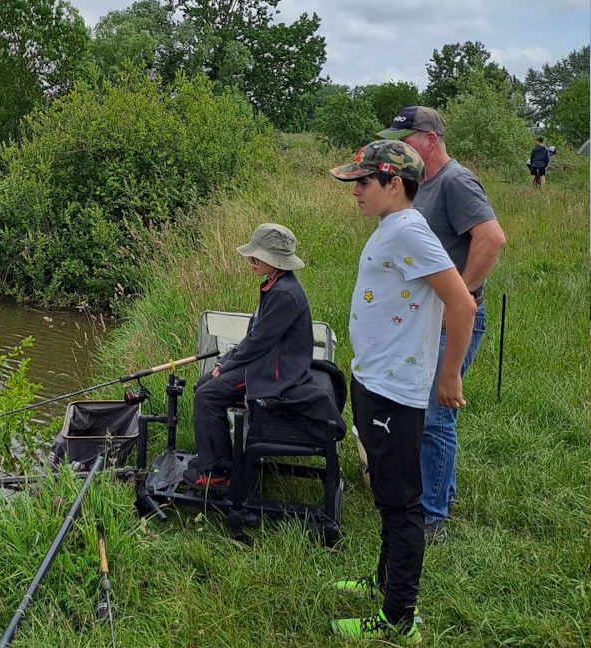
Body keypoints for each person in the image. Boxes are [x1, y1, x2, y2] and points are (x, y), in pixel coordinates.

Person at [328, 139, 476, 644]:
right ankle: (383, 583)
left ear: (395, 184)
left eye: (363, 183)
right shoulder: (394, 227)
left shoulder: (410, 230)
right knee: (388, 495)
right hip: (375, 378)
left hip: (397, 389)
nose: (356, 192)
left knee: (401, 503)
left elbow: (463, 303)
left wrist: (449, 374)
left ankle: (397, 619)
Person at [376, 106, 506, 543]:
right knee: (423, 409)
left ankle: (432, 516)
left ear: (430, 139)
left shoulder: (455, 181)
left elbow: (492, 238)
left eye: (405, 139)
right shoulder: (423, 185)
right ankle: (438, 493)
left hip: (455, 316)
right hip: (427, 318)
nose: (399, 147)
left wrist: (461, 297)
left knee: (436, 413)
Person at [185, 223, 313, 487]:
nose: (251, 261)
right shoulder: (276, 284)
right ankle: (218, 458)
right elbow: (257, 337)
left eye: (257, 257)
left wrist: (228, 362)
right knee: (204, 385)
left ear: (275, 261)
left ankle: (219, 473)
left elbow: (259, 341)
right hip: (266, 360)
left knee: (208, 396)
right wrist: (226, 363)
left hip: (276, 371)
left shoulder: (285, 294)